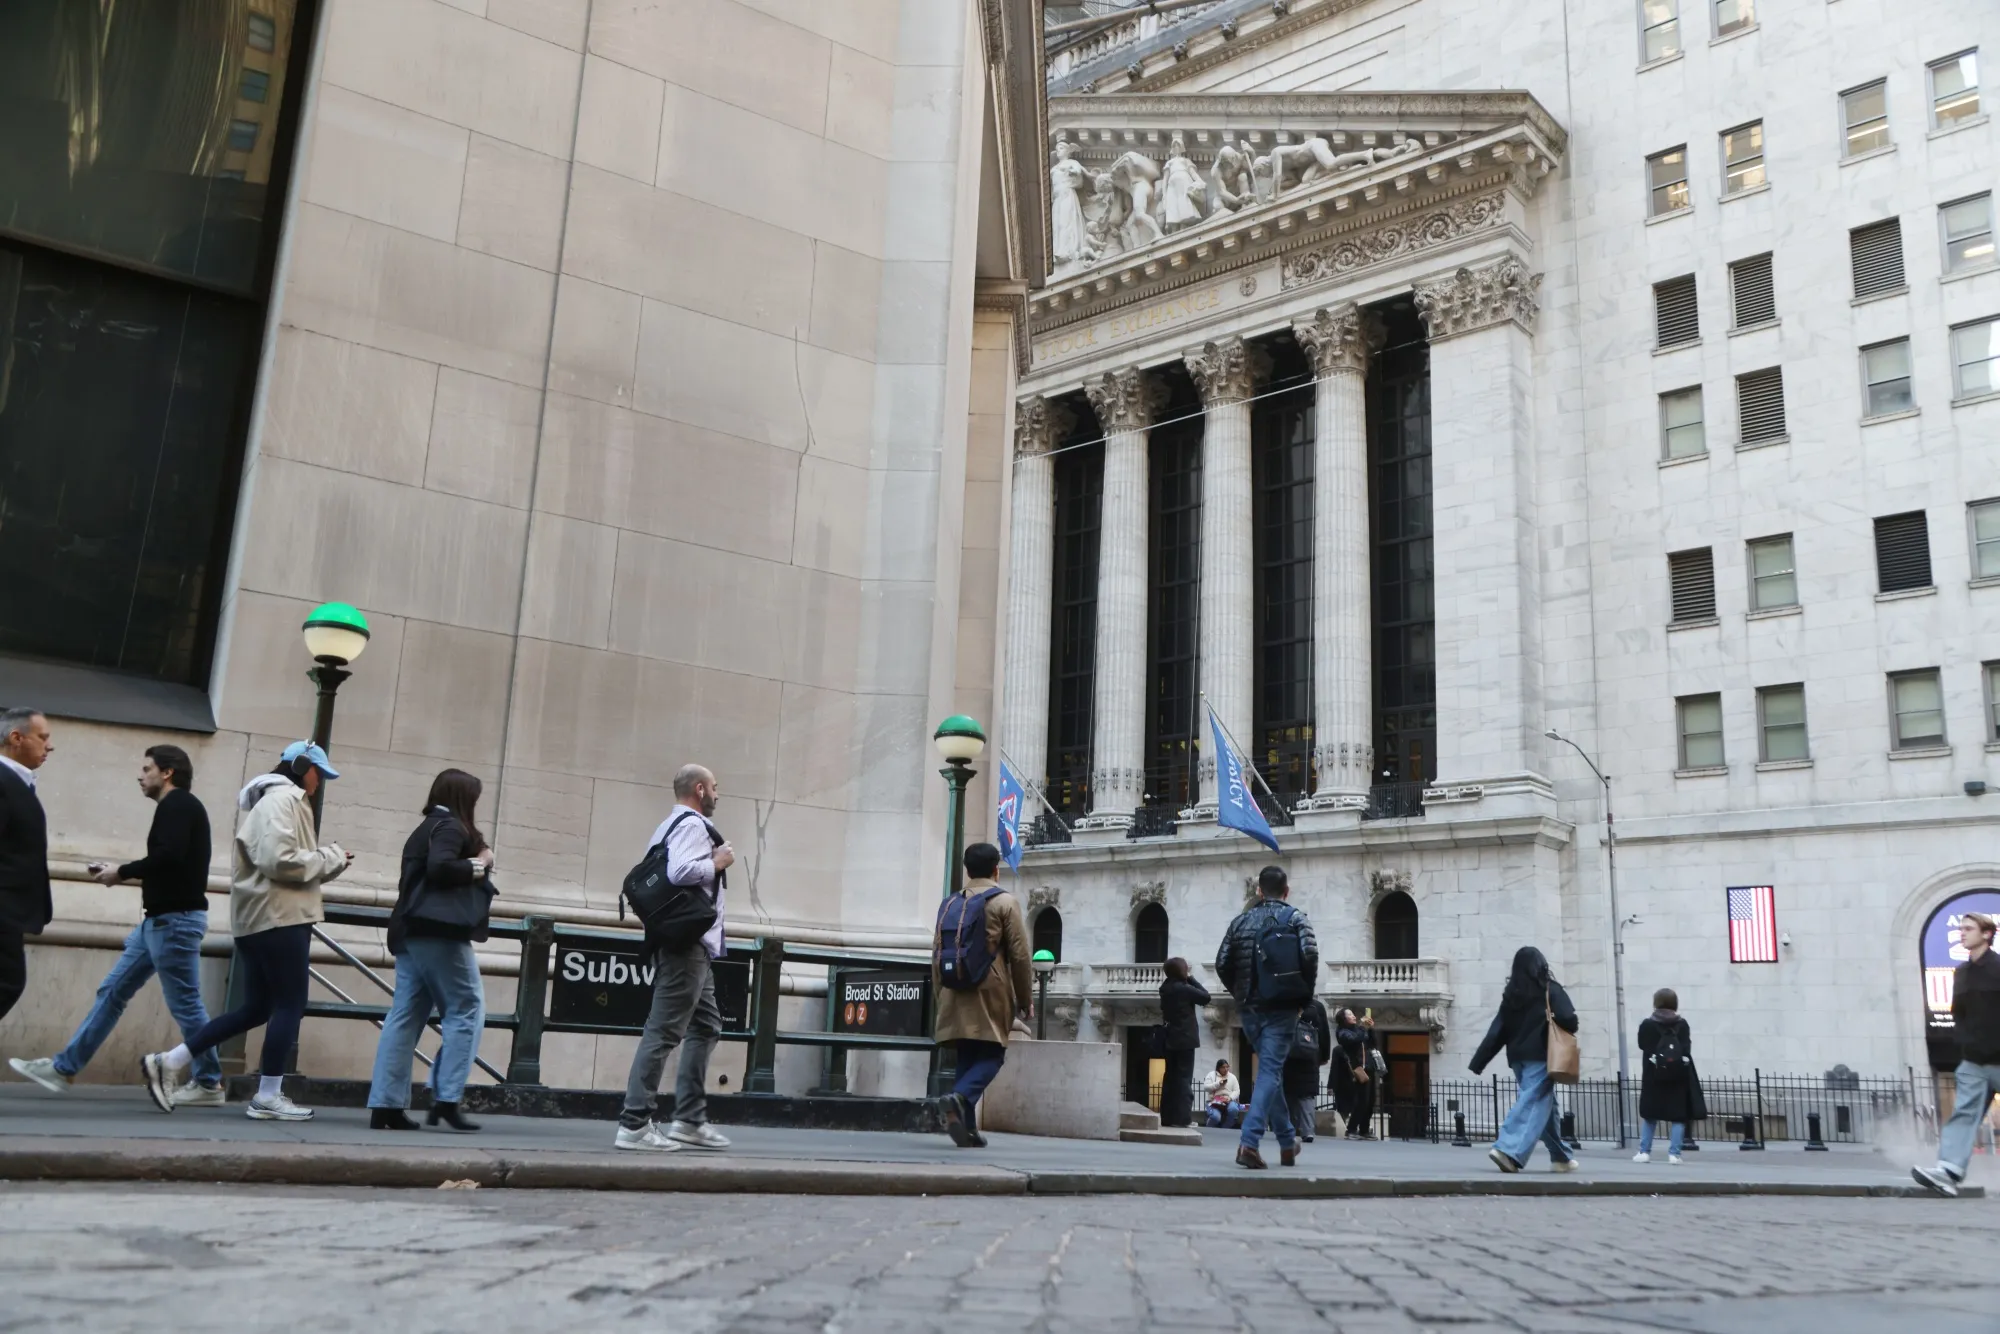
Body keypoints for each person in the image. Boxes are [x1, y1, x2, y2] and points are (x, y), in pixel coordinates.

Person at [141, 742, 350, 1122]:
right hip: (279, 916)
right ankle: (268, 1094)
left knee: (256, 1008)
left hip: (261, 917)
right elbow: (279, 861)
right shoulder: (283, 800)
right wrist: (331, 857)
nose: (320, 782)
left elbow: (279, 859)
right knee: (290, 1004)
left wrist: (328, 863)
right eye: (319, 773)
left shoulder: (273, 801)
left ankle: (171, 1061)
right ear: (302, 766)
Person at [11, 745, 221, 1105]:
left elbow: (167, 857)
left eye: (147, 768)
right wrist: (119, 869)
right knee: (112, 992)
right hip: (159, 923)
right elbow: (170, 864)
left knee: (186, 1005)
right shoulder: (177, 808)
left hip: (174, 923)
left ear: (167, 773)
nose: (140, 776)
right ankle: (64, 1068)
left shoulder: (179, 805)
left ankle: (208, 1082)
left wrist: (121, 872)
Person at [367, 769, 495, 1133]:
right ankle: (447, 1098)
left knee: (405, 1016)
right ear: (463, 799)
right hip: (438, 932)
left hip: (409, 930)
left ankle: (385, 1105)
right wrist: (481, 863)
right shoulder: (452, 827)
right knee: (467, 1008)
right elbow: (441, 868)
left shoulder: (424, 827)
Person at [617, 763, 735, 1153]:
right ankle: (634, 1124)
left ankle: (688, 1120)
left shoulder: (668, 826)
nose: (718, 794)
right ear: (700, 789)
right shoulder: (691, 825)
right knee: (664, 1030)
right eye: (715, 788)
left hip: (691, 944)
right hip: (687, 946)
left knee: (706, 1025)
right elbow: (681, 870)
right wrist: (715, 864)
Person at [1214, 864, 1319, 1168]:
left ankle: (1287, 1142)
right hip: (1283, 1005)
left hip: (1250, 1009)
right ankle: (1249, 1143)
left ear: (1259, 891)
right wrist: (1303, 997)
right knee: (1270, 1073)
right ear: (1286, 891)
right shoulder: (1296, 917)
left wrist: (1240, 993)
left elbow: (1222, 962)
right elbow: (1310, 955)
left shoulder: (1241, 921)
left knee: (1270, 1074)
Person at [931, 842, 1033, 1148]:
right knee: (992, 1054)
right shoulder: (1004, 902)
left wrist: (940, 993)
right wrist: (1025, 998)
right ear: (995, 870)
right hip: (990, 989)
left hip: (953, 987)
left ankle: (968, 1128)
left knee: (967, 1052)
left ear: (966, 870)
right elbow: (1020, 955)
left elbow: (936, 953)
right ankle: (961, 1098)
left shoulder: (949, 904)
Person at [1471, 945, 1580, 1174]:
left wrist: (1479, 1061)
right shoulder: (1550, 990)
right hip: (1542, 1055)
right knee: (1532, 1100)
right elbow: (1570, 1018)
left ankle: (1561, 1157)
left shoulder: (1512, 996)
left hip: (1518, 1059)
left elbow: (1497, 1031)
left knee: (1545, 1105)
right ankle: (1508, 1149)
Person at [1914, 911, 2000, 1196]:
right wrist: (1963, 1044)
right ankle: (1949, 1171)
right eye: (1960, 928)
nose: (1961, 933)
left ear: (1986, 934)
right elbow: (1958, 1014)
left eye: (1968, 929)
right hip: (1973, 1061)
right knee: (1963, 1113)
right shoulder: (1961, 973)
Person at [0, 707, 53, 1027]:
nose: (49, 746)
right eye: (43, 737)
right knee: (8, 983)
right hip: (2, 910)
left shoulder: (16, 783)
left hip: (10, 912)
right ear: (16, 738)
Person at [1634, 987, 1701, 1164]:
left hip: (1653, 1075)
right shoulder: (1682, 1024)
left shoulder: (1647, 1025)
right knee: (1678, 1116)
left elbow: (1642, 1045)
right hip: (1678, 1076)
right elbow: (1686, 1048)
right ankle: (1674, 1154)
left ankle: (1644, 1152)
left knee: (1650, 1115)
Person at [1157, 957, 1209, 1129]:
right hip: (1185, 1038)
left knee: (1170, 1077)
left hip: (1170, 1038)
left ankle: (1167, 1117)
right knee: (1184, 1079)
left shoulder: (1165, 988)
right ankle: (1183, 1118)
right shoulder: (1184, 988)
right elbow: (1205, 997)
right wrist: (1192, 978)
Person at [1284, 996, 1332, 1143]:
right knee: (1307, 1096)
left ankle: (1290, 1129)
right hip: (1311, 1057)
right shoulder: (1316, 1006)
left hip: (1289, 1057)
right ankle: (1308, 1131)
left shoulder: (1286, 1002)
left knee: (1289, 1095)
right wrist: (1323, 1055)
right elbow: (1324, 1033)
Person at [1333, 1007, 1379, 1140]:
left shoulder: (1358, 1030)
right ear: (1343, 1019)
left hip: (1369, 1067)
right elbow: (1354, 1040)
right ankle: (1352, 1129)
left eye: (1353, 1014)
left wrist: (1370, 1029)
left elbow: (1372, 1044)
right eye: (1350, 1015)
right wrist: (1363, 1027)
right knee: (1362, 1101)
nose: (1353, 1016)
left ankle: (1364, 1129)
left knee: (1370, 1101)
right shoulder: (1342, 1032)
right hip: (1358, 1069)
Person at [1203, 1059, 1242, 1128]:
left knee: (1233, 1109)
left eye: (1227, 1067)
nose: (1226, 1069)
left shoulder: (1232, 1077)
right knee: (1215, 1117)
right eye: (1223, 1067)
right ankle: (1209, 1128)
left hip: (1228, 1100)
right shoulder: (1211, 1075)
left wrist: (1230, 1098)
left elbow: (1237, 1091)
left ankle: (1225, 1128)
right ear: (1219, 1068)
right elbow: (1206, 1087)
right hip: (1214, 1101)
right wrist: (1218, 1084)